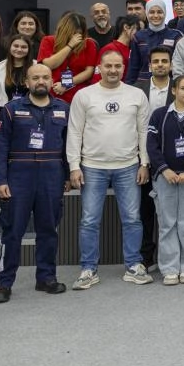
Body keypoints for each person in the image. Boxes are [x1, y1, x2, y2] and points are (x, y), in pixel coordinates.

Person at [67, 50, 152, 289]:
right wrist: (74, 166)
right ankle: (88, 269)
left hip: (128, 166)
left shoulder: (136, 94)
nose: (113, 70)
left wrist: (144, 163)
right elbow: (74, 132)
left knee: (132, 219)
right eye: (108, 66)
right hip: (92, 166)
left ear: (123, 68)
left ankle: (133, 265)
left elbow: (144, 131)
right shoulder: (84, 95)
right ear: (99, 68)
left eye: (117, 66)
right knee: (89, 220)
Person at [0, 63, 69, 302]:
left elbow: (69, 146)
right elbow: (0, 147)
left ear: (51, 80)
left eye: (45, 77)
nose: (41, 81)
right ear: (27, 82)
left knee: (48, 230)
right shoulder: (11, 109)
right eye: (35, 78)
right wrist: (0, 180)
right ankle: (3, 284)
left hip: (52, 175)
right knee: (13, 231)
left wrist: (66, 176)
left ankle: (46, 278)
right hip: (19, 175)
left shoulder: (63, 108)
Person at [133, 44, 175, 269]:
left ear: (171, 65)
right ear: (149, 65)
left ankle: (170, 258)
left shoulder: (179, 88)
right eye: (156, 61)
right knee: (145, 211)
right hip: (142, 158)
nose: (160, 65)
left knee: (170, 213)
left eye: (164, 61)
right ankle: (146, 256)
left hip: (171, 159)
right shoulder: (136, 89)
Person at [38, 11, 98, 104]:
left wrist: (66, 84)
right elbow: (49, 65)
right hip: (53, 94)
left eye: (79, 33)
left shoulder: (89, 44)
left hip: (78, 94)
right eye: (72, 33)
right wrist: (70, 46)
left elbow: (89, 71)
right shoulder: (48, 40)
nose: (75, 36)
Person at [126, 0, 181, 85]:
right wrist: (129, 86)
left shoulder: (175, 36)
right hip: (143, 85)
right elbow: (133, 67)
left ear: (165, 13)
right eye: (152, 12)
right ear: (146, 13)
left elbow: (180, 66)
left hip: (168, 85)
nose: (155, 15)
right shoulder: (138, 36)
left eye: (159, 12)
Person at [0, 34, 34, 107]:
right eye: (16, 46)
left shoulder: (36, 66)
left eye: (23, 47)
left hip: (31, 110)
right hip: (5, 110)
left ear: (29, 49)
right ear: (10, 47)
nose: (19, 49)